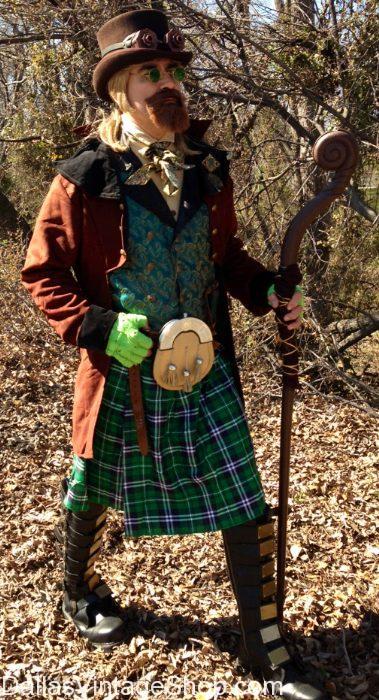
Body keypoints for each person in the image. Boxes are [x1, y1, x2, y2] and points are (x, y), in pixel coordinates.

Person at [21, 8, 326, 699]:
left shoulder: (209, 170)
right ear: (117, 91)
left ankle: (264, 646)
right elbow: (41, 272)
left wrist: (268, 288)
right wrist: (97, 325)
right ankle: (80, 592)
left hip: (203, 365)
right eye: (150, 74)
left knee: (242, 498)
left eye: (174, 72)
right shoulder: (83, 176)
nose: (169, 86)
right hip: (122, 372)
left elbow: (228, 261)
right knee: (92, 488)